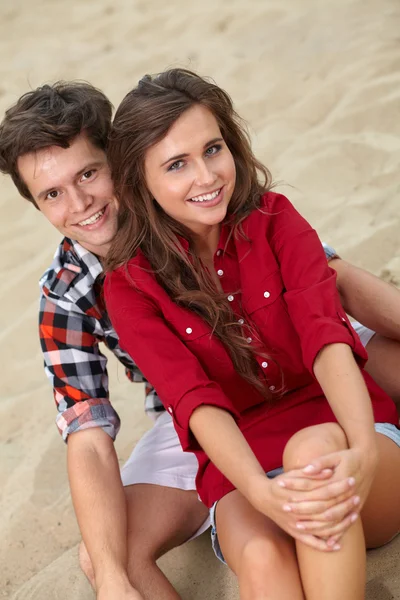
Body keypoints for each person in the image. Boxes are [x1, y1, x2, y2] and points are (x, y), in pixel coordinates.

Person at [0, 81, 399, 600]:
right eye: (52, 194)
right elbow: (91, 437)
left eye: (89, 174)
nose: (80, 204)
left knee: (344, 412)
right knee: (105, 554)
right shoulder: (74, 291)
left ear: (119, 163)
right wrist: (114, 579)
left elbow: (330, 287)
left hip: (292, 350)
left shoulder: (218, 205)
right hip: (189, 410)